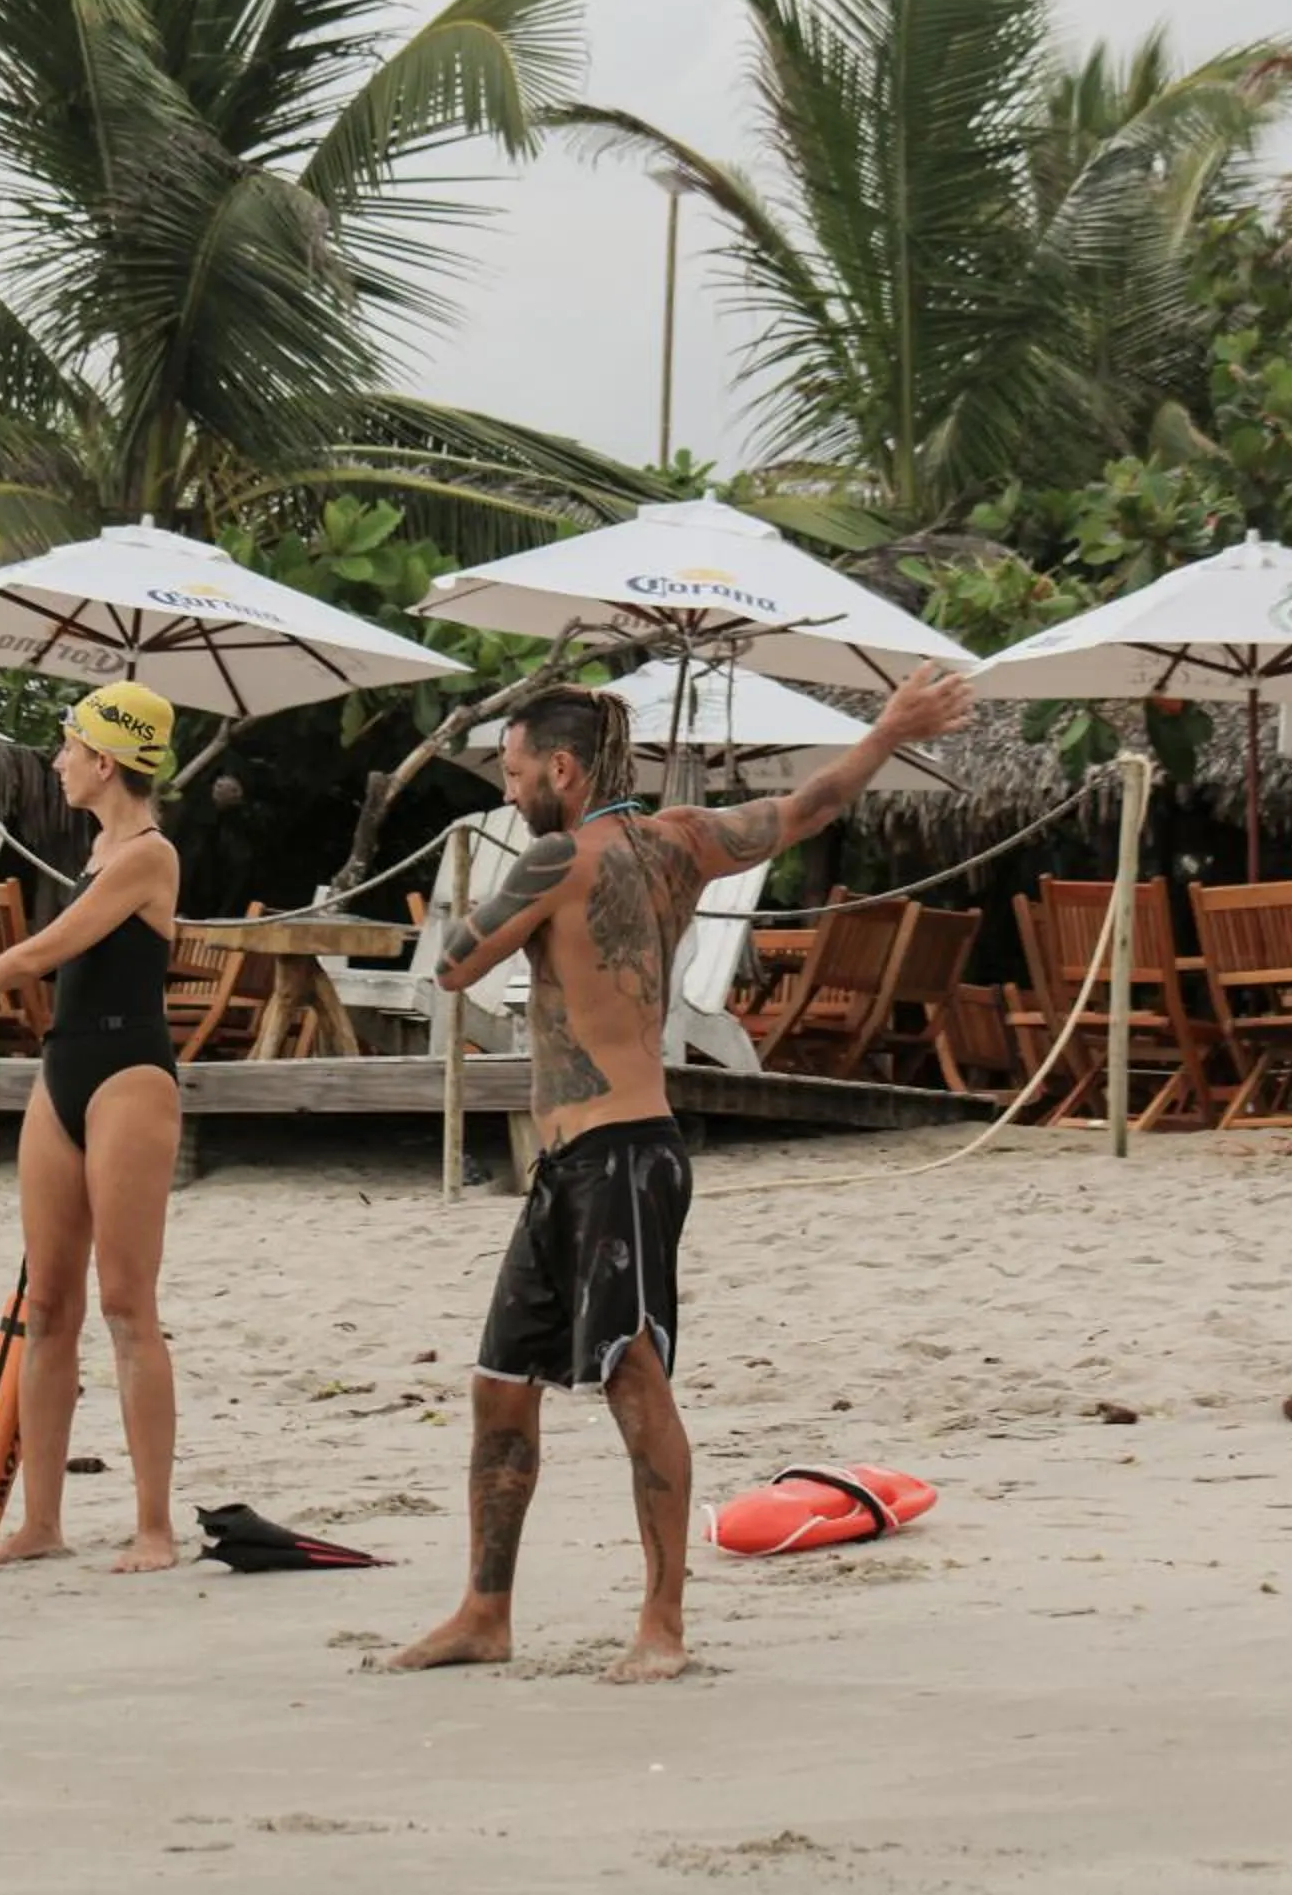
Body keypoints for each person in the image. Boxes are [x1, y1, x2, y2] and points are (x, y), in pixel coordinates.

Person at [388, 658, 971, 1682]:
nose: (506, 791)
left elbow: (453, 965)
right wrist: (885, 729)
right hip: (577, 1160)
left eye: (513, 771)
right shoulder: (686, 841)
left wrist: (506, 890)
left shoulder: (555, 858)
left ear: (560, 769)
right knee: (499, 1386)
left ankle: (662, 1626)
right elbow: (811, 806)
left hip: (618, 1156)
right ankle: (484, 1612)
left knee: (633, 1378)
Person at [0, 680, 184, 1574]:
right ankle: (41, 1524)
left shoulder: (149, 855)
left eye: (69, 748)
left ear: (106, 760)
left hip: (130, 1077)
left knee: (127, 1306)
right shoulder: (98, 849)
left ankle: (154, 1528)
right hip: (64, 1071)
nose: (58, 763)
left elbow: (47, 949)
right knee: (49, 1306)